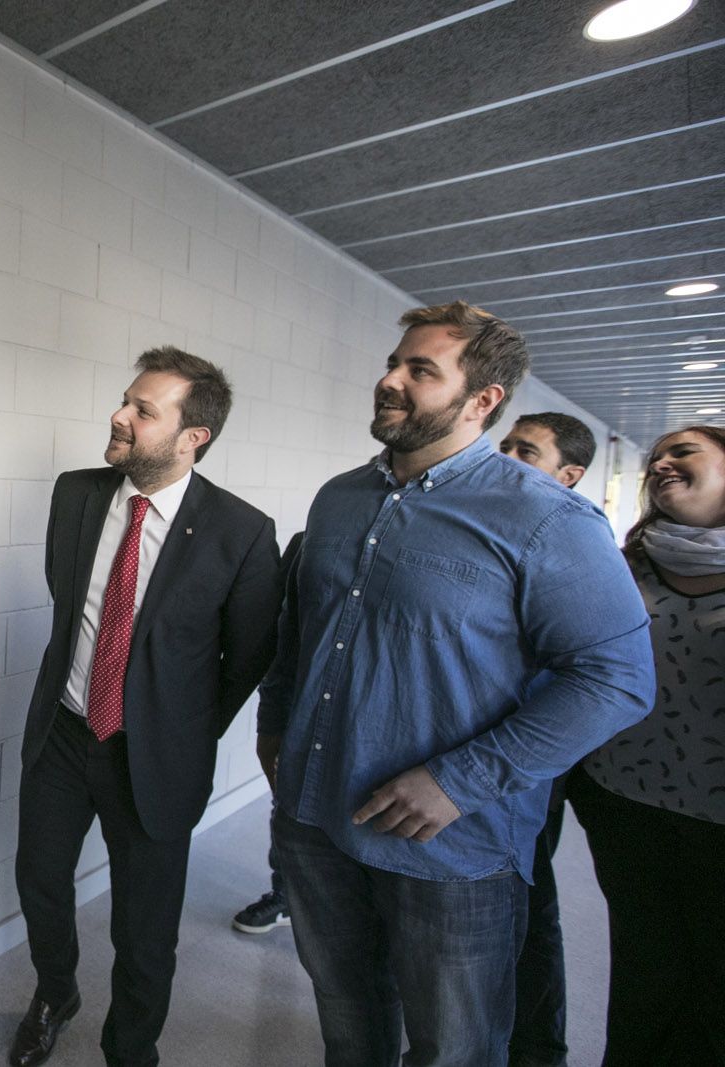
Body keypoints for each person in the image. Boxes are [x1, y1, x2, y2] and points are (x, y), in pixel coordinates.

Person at [258, 301, 654, 1067]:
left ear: (482, 401)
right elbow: (299, 628)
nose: (388, 380)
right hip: (316, 820)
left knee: (455, 1048)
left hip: (450, 845)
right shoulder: (339, 499)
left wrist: (458, 779)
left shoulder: (548, 519)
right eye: (393, 361)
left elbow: (617, 678)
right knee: (350, 1025)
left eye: (419, 370)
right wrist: (275, 725)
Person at [9, 347, 281, 1067]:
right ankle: (55, 992)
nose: (118, 414)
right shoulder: (76, 494)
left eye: (142, 409)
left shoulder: (242, 532)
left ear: (193, 436)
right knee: (38, 880)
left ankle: (130, 1049)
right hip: (65, 733)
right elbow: (68, 602)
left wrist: (181, 729)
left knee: (145, 925)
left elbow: (247, 656)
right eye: (125, 399)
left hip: (155, 757)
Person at [568, 425, 725, 1067]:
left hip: (719, 822)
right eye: (656, 455)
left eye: (683, 450)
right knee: (644, 968)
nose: (661, 461)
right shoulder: (623, 562)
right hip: (623, 802)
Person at [496, 412, 596, 1067]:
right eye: (504, 444)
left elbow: (593, 675)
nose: (506, 457)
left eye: (524, 451)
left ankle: (536, 1049)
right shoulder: (491, 524)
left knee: (528, 903)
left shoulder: (573, 541)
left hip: (525, 761)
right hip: (457, 752)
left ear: (569, 475)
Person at [231, 531, 304, 937]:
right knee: (287, 809)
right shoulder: (310, 543)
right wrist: (270, 723)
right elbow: (281, 640)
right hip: (301, 715)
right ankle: (285, 896)